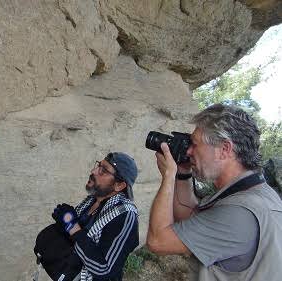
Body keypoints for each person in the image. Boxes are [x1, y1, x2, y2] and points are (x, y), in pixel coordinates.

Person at [147, 104, 282, 280]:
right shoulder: (257, 194)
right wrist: (182, 173)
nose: (188, 151)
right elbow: (189, 219)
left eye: (195, 144)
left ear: (225, 149)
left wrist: (168, 176)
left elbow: (158, 241)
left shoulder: (240, 214)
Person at [51, 152, 139, 281]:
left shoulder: (125, 216)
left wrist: (72, 227)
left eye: (103, 170)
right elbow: (77, 240)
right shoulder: (93, 199)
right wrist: (65, 223)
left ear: (119, 185)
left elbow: (104, 269)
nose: (93, 171)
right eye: (99, 165)